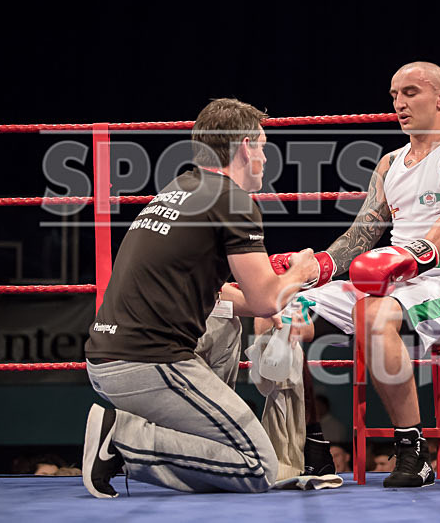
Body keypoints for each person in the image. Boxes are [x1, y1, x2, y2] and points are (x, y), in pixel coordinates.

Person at [261, 61, 440, 487]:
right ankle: (311, 445)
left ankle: (413, 451)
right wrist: (315, 267)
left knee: (374, 314)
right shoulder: (390, 164)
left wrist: (413, 255)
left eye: (411, 92)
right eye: (394, 95)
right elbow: (362, 234)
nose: (399, 104)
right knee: (279, 306)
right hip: (392, 275)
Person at [81, 98, 318, 498]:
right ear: (245, 146)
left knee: (225, 321)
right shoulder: (233, 199)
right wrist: (301, 273)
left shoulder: (180, 190)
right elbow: (264, 299)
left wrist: (270, 302)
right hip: (147, 362)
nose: (263, 157)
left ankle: (186, 431)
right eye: (261, 146)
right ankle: (122, 439)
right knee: (259, 467)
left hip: (111, 357)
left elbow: (224, 293)